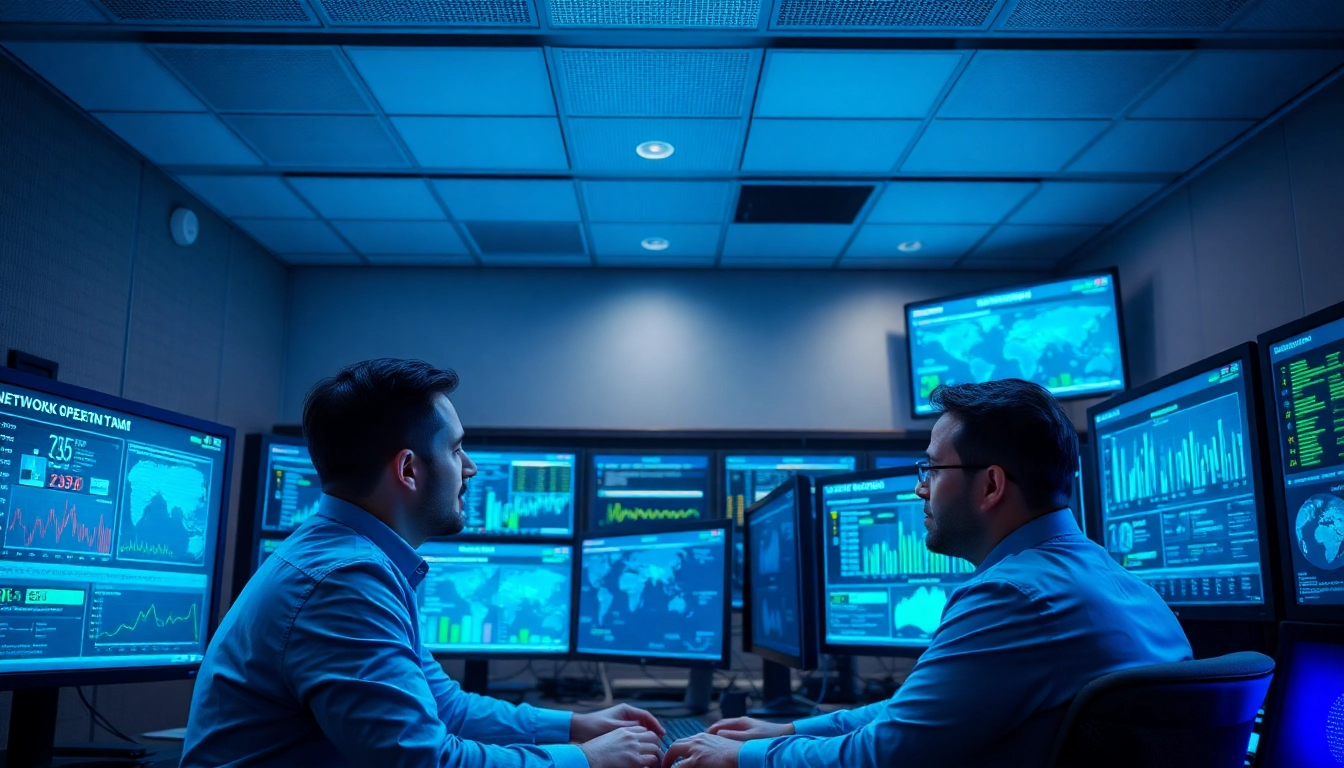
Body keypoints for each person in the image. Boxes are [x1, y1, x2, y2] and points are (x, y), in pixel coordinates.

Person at [665, 379, 1192, 768]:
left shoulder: (1011, 595)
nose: (920, 489)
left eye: (932, 470)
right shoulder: (1116, 580)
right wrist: (788, 726)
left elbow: (886, 755)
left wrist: (744, 759)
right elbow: (913, 711)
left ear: (990, 485)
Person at [183, 358, 665, 768]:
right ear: (409, 469)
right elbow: (424, 761)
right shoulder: (346, 581)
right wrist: (586, 758)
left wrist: (576, 725)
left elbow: (445, 708)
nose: (470, 468)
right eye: (456, 449)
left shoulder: (349, 557)